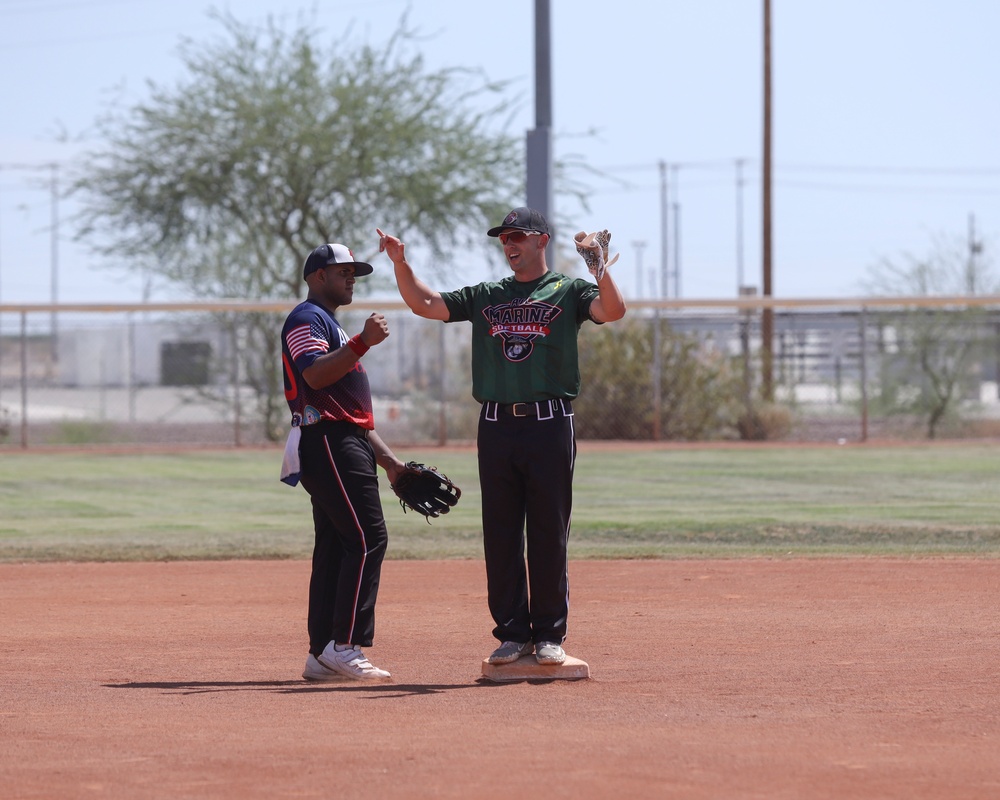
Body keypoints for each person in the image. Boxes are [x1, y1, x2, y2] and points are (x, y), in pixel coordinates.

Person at [377, 207, 626, 666]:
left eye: (517, 235)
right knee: (502, 531)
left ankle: (549, 634)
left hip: (550, 421)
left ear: (541, 241)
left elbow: (611, 310)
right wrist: (400, 264)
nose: (508, 243)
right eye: (502, 237)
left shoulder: (568, 290)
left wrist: (598, 268)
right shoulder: (487, 294)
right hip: (495, 424)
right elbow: (425, 305)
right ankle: (512, 632)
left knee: (549, 530)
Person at [279, 242, 406, 682]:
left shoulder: (327, 324)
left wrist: (389, 461)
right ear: (317, 276)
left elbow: (352, 411)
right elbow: (313, 374)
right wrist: (361, 342)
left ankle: (322, 653)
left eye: (355, 272)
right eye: (342, 271)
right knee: (368, 539)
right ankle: (345, 645)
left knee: (337, 546)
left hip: (341, 439)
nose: (351, 278)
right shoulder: (306, 318)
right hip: (328, 442)